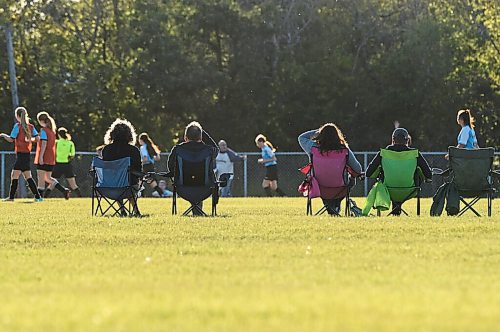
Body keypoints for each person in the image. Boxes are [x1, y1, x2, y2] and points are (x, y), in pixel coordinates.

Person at [298, 123, 363, 215]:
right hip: (340, 188)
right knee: (351, 179)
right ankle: (335, 206)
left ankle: (331, 206)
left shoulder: (312, 148)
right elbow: (358, 169)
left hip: (319, 186)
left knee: (325, 186)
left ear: (321, 135)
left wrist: (318, 132)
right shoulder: (344, 150)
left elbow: (301, 137)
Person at [366, 128, 432, 215]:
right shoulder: (415, 154)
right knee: (417, 174)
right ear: (407, 140)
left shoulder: (383, 153)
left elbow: (369, 173)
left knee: (383, 176)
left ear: (393, 139)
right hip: (410, 190)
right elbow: (428, 175)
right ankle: (397, 208)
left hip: (387, 190)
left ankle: (396, 208)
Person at [167, 121, 218, 215]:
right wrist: (202, 133)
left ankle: (196, 209)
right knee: (199, 182)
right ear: (201, 137)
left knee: (192, 182)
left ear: (186, 137)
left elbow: (171, 167)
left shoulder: (178, 149)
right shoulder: (209, 150)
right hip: (205, 188)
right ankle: (197, 209)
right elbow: (216, 149)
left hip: (182, 187)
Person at [0, 107, 43, 201]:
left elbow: (11, 139)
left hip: (20, 155)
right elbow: (37, 139)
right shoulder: (31, 127)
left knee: (14, 175)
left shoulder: (18, 126)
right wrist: (30, 139)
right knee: (28, 176)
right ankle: (38, 197)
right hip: (27, 155)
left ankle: (11, 198)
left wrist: (3, 135)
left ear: (17, 116)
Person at [34, 112, 70, 199]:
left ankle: (39, 197)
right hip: (51, 157)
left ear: (41, 121)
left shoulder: (43, 130)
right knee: (48, 178)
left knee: (41, 179)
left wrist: (41, 157)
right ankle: (64, 190)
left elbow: (44, 144)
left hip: (44, 156)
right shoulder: (52, 131)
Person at [101, 119, 142, 186]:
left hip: (108, 187)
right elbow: (138, 172)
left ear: (112, 134)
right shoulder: (134, 150)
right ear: (129, 135)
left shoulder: (106, 149)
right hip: (128, 188)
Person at [52, 128, 82, 197]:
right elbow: (72, 154)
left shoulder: (57, 142)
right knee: (73, 184)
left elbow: (53, 153)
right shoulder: (70, 143)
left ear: (58, 134)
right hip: (67, 165)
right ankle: (80, 197)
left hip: (58, 165)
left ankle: (44, 197)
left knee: (52, 182)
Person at [138, 133, 166, 197]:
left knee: (141, 181)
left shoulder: (143, 147)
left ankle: (141, 196)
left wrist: (140, 162)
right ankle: (162, 194)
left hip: (146, 166)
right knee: (152, 183)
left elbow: (145, 158)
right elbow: (158, 158)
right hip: (151, 166)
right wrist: (152, 159)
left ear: (141, 140)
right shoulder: (150, 146)